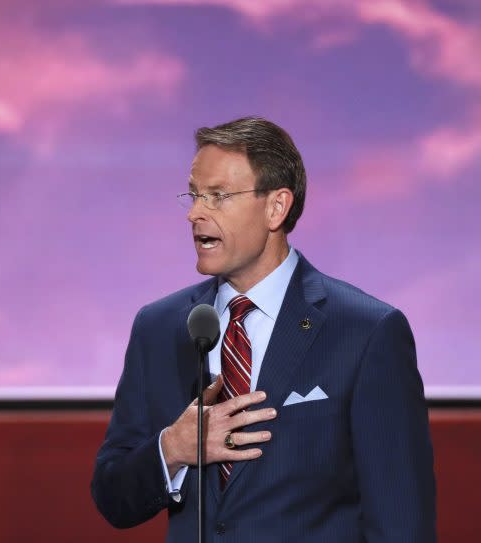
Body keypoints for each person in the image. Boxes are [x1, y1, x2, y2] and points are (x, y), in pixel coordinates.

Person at [91, 117, 436, 542]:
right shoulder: (160, 328)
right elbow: (112, 496)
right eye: (195, 196)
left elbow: (401, 522)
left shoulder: (365, 332)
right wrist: (173, 449)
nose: (196, 213)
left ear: (276, 207)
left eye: (218, 197)